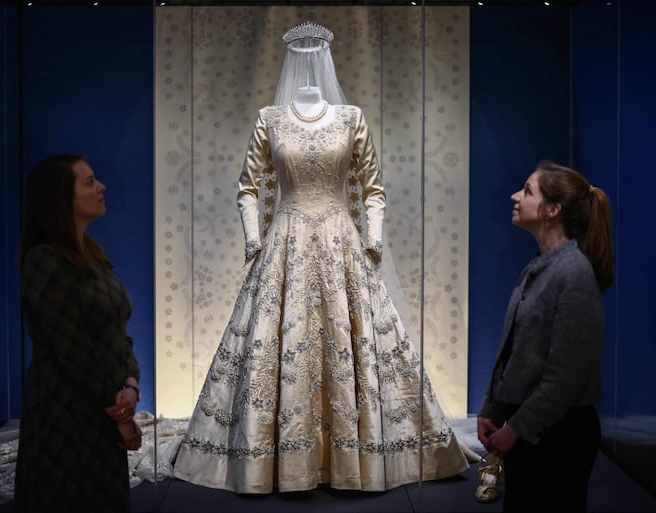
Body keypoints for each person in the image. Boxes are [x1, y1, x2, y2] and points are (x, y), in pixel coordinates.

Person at [172, 21, 471, 494]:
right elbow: (247, 188)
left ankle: (355, 457)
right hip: (284, 242)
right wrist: (255, 242)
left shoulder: (351, 118)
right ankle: (277, 462)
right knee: (277, 349)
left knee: (349, 344)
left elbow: (373, 190)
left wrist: (372, 241)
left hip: (341, 242)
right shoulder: (269, 118)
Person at [476, 160, 613, 512]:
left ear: (552, 210)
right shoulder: (540, 266)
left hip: (560, 436)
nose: (515, 196)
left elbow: (565, 376)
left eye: (527, 191)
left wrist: (516, 428)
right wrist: (492, 409)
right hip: (536, 430)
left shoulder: (574, 274)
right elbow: (515, 351)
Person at [15, 154, 142, 513]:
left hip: (104, 411)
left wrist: (131, 384)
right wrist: (120, 414)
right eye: (89, 182)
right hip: (64, 415)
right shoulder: (44, 260)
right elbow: (72, 350)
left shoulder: (93, 256)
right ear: (61, 198)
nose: (101, 187)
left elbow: (118, 333)